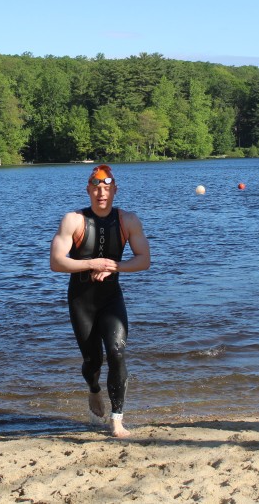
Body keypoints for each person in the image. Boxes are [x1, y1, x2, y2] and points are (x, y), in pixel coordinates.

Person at [49, 164, 150, 438]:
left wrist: (115, 266)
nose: (101, 193)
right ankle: (93, 389)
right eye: (96, 188)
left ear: (115, 190)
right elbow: (56, 262)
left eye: (106, 188)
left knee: (117, 352)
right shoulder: (73, 220)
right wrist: (92, 263)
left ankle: (117, 420)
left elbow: (144, 260)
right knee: (92, 361)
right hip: (81, 300)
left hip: (111, 298)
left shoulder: (128, 220)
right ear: (88, 190)